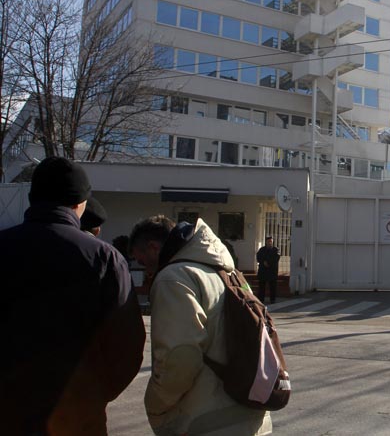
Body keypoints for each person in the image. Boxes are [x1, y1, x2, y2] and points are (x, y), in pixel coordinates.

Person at [0, 157, 145, 435]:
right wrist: (89, 399)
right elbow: (127, 347)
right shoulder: (104, 259)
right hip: (77, 418)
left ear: (32, 198)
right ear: (80, 204)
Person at [129, 216, 272, 436]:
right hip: (253, 416)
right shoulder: (230, 273)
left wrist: (156, 405)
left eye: (142, 261)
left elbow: (180, 356)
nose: (146, 270)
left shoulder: (173, 278)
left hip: (205, 421)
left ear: (153, 247)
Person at [256, 236, 281, 304]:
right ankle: (261, 299)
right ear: (266, 242)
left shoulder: (276, 250)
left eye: (271, 241)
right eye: (269, 241)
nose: (270, 243)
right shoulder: (262, 249)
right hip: (263, 271)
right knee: (262, 287)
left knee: (273, 287)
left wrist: (268, 263)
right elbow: (258, 257)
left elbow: (276, 258)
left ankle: (272, 300)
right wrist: (263, 262)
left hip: (272, 271)